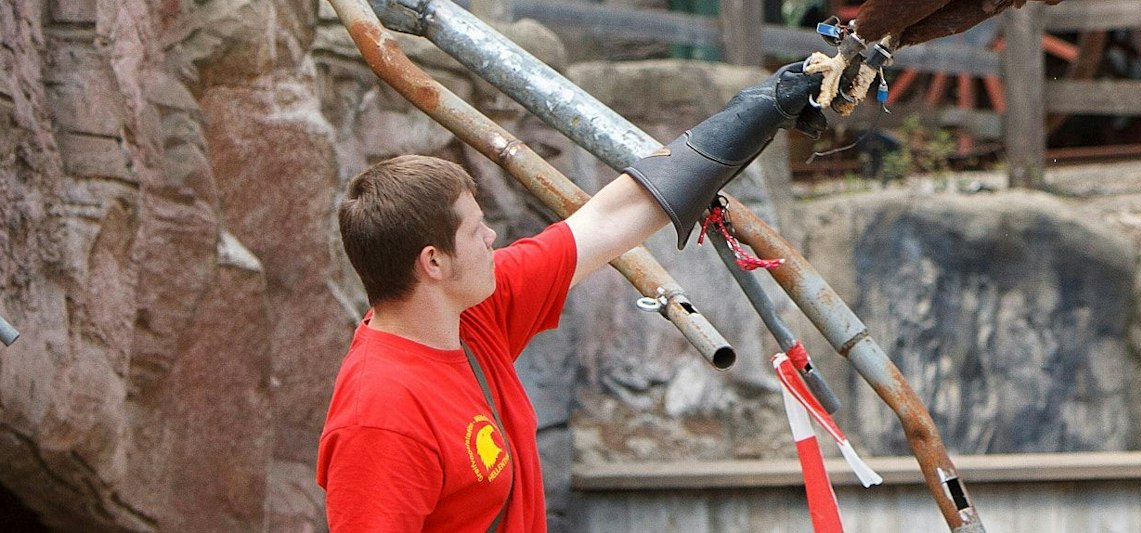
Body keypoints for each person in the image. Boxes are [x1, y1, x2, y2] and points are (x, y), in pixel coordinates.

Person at [316, 64, 820, 532]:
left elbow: (607, 221)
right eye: (475, 232)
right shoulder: (379, 418)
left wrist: (759, 111)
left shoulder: (472, 314)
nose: (492, 237)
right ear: (433, 263)